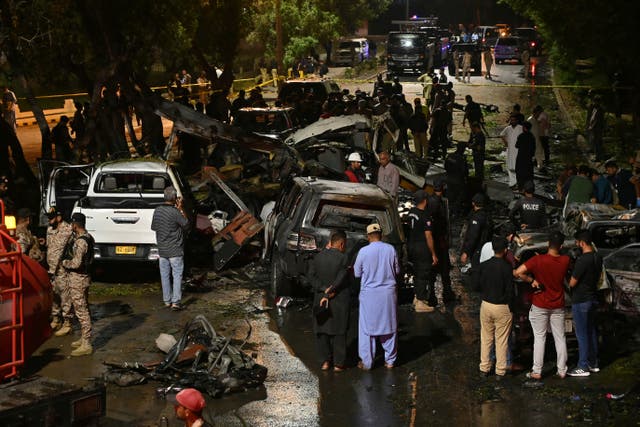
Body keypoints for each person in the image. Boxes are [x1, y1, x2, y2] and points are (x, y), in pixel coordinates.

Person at [513, 231, 570, 379]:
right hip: (558, 304)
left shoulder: (538, 261)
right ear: (562, 246)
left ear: (548, 244)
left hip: (540, 304)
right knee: (560, 337)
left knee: (540, 338)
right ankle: (562, 370)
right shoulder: (565, 260)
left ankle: (537, 371)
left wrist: (531, 280)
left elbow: (518, 272)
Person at [353, 223, 400, 370]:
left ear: (368, 237)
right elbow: (397, 270)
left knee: (367, 329)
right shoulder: (390, 249)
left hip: (370, 295)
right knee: (389, 326)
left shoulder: (363, 252)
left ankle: (367, 362)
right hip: (388, 294)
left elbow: (356, 273)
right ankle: (390, 361)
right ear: (381, 234)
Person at [308, 230, 350, 372]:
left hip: (320, 299)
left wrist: (322, 288)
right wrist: (331, 290)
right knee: (339, 331)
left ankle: (325, 362)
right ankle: (338, 364)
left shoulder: (318, 257)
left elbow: (311, 276)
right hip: (338, 299)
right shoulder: (343, 258)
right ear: (342, 244)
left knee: (321, 331)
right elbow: (342, 277)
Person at [567, 230, 602, 377]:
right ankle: (593, 363)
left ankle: (582, 366)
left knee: (581, 334)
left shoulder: (583, 260)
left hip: (581, 300)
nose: (577, 245)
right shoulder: (597, 257)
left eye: (577, 242)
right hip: (592, 298)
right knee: (591, 332)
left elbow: (572, 283)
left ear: (582, 242)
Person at [478, 237, 513, 378]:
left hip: (486, 304)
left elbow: (477, 284)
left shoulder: (484, 265)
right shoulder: (507, 267)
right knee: (501, 339)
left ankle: (484, 368)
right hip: (502, 306)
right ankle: (500, 371)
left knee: (486, 337)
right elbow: (510, 291)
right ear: (505, 250)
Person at [60, 213, 94, 356]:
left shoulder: (81, 242)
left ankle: (86, 343)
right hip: (84, 278)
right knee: (83, 307)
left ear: (75, 224)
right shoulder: (89, 237)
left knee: (81, 310)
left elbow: (76, 263)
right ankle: (83, 338)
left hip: (78, 279)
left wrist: (64, 263)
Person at [151, 186, 190, 311]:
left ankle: (167, 301)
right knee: (177, 275)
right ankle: (176, 302)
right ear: (174, 198)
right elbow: (186, 225)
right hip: (175, 250)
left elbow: (154, 227)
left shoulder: (157, 211)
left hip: (162, 250)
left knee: (164, 276)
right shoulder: (175, 212)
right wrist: (181, 208)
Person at [407, 190, 438, 312]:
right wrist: (433, 253)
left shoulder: (411, 212)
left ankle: (417, 296)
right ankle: (420, 301)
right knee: (423, 273)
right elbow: (428, 236)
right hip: (422, 247)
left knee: (416, 271)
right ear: (425, 201)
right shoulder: (425, 216)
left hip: (412, 246)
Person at [427, 180, 456, 304]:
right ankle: (446, 293)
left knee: (434, 268)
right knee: (444, 269)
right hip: (440, 239)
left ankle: (432, 295)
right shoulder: (442, 202)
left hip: (435, 239)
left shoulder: (431, 201)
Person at [46, 208, 74, 332]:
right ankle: (56, 319)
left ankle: (67, 322)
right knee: (54, 294)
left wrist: (53, 269)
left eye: (51, 217)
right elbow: (50, 248)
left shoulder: (66, 229)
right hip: (51, 269)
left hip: (62, 269)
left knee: (65, 294)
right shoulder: (50, 229)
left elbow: (59, 250)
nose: (49, 220)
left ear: (59, 217)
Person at [460, 193, 493, 289]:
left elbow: (473, 236)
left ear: (473, 203)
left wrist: (466, 252)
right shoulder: (487, 216)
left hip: (478, 248)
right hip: (486, 247)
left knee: (476, 269)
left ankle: (477, 288)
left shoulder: (477, 217)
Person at [500, 114, 523, 188]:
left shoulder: (521, 128)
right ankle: (512, 182)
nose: (512, 121)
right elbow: (502, 135)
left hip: (518, 150)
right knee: (510, 166)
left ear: (517, 120)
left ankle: (519, 182)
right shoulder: (508, 128)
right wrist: (505, 142)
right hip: (510, 150)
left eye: (514, 120)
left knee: (518, 166)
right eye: (511, 120)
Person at [515, 121, 536, 190]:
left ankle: (520, 187)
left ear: (524, 128)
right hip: (529, 158)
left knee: (519, 172)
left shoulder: (521, 136)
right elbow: (534, 148)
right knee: (529, 173)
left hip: (521, 157)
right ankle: (529, 187)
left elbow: (516, 145)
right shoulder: (532, 136)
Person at [586, 95, 605, 161]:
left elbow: (597, 120)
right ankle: (594, 153)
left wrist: (591, 126)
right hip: (592, 128)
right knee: (593, 141)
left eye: (596, 102)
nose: (594, 103)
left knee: (597, 142)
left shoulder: (601, 110)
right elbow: (590, 117)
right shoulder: (592, 108)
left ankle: (598, 157)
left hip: (597, 129)